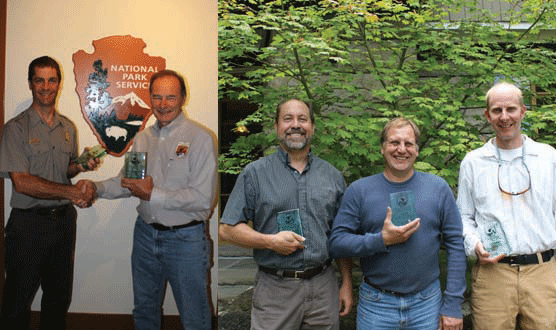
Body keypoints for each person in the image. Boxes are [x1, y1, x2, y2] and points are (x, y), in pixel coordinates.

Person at [82, 69, 217, 330]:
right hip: (145, 236)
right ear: (150, 98)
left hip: (186, 241)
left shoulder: (200, 138)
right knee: (144, 311)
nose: (163, 104)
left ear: (183, 98)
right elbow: (127, 183)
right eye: (157, 97)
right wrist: (94, 188)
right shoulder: (143, 137)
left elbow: (203, 199)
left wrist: (152, 194)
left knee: (195, 317)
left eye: (170, 97)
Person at [219, 98, 353, 330]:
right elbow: (227, 229)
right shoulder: (255, 174)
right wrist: (269, 241)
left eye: (303, 119)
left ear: (312, 127)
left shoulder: (332, 176)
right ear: (276, 127)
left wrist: (347, 283)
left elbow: (341, 235)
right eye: (287, 119)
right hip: (275, 290)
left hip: (323, 289)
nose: (296, 124)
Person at [328, 118, 466, 330]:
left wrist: (453, 304)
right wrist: (380, 240)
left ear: (417, 150)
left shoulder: (437, 188)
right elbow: (337, 243)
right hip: (376, 305)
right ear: (382, 148)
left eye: (408, 144)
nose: (401, 149)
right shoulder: (359, 190)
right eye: (394, 143)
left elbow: (456, 245)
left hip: (427, 304)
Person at [0, 56, 98, 329]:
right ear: (30, 83)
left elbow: (63, 172)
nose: (46, 86)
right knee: (17, 301)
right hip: (27, 225)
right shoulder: (15, 128)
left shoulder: (68, 128)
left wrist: (80, 164)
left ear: (59, 83)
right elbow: (22, 182)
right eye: (39, 80)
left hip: (63, 223)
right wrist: (70, 192)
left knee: (58, 298)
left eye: (52, 80)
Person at [457, 82, 556, 329]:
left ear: (523, 111)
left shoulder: (548, 157)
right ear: (487, 115)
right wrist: (474, 244)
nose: (504, 117)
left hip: (543, 273)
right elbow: (464, 217)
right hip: (493, 275)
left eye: (511, 109)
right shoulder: (473, 162)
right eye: (497, 110)